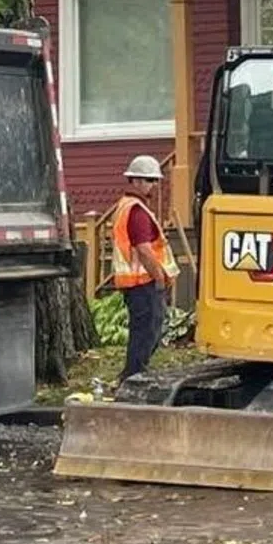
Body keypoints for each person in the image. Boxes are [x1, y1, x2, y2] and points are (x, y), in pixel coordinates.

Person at [111, 155, 179, 382]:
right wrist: (159, 278)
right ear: (136, 181)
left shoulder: (125, 206)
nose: (154, 186)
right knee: (147, 331)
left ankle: (134, 373)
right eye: (150, 180)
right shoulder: (137, 211)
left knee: (145, 330)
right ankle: (134, 376)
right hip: (143, 283)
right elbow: (144, 250)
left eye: (155, 180)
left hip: (134, 283)